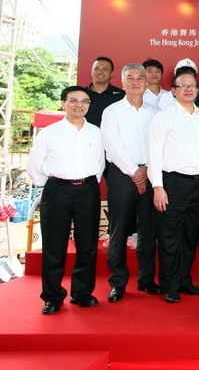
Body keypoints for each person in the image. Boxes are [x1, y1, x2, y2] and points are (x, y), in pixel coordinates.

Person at [28, 86, 105, 315]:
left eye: (84, 101)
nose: (79, 105)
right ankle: (52, 296)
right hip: (57, 190)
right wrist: (50, 186)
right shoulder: (49, 132)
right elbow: (35, 165)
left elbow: (100, 162)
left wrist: (87, 182)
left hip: (87, 189)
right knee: (54, 246)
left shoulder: (95, 132)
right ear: (63, 103)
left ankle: (82, 292)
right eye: (73, 100)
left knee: (88, 244)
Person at [148, 71, 199, 304]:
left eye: (192, 85)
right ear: (173, 90)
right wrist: (157, 186)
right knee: (170, 238)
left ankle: (184, 280)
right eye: (182, 85)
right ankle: (170, 285)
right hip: (172, 184)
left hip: (198, 184)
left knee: (191, 236)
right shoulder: (163, 118)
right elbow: (153, 153)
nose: (187, 89)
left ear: (197, 89)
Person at [101, 64, 159, 303]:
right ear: (122, 82)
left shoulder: (155, 113)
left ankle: (146, 279)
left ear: (146, 83)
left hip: (151, 173)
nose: (135, 82)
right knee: (119, 229)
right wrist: (135, 172)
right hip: (122, 176)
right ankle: (118, 282)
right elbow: (112, 145)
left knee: (148, 230)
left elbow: (159, 145)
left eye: (140, 78)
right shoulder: (112, 111)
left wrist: (147, 170)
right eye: (130, 78)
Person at [85, 56, 124, 127]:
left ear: (111, 74)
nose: (100, 72)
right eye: (96, 69)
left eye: (104, 69)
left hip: (112, 136)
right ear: (92, 72)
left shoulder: (122, 95)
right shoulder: (82, 94)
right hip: (87, 136)